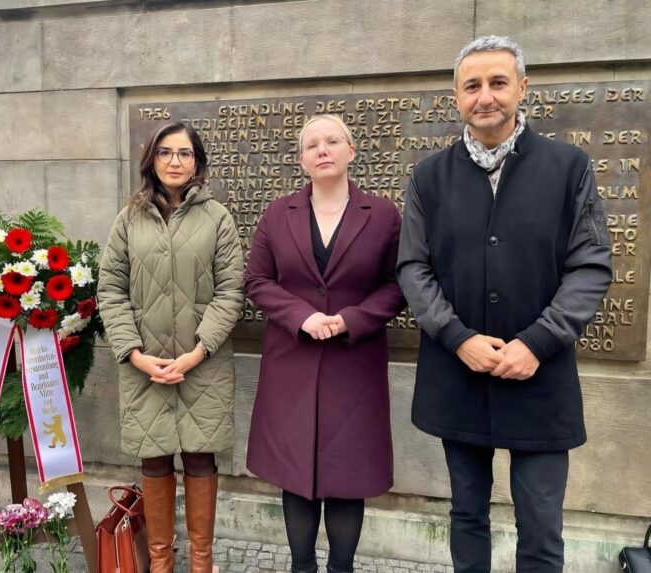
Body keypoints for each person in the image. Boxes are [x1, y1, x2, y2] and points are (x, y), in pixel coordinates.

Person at [396, 36, 612, 573]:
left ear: (522, 87)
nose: (485, 96)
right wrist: (457, 338)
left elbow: (590, 266)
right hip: (458, 375)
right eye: (472, 86)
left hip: (540, 378)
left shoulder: (569, 168)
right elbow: (413, 269)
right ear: (456, 97)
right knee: (466, 515)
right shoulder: (428, 178)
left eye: (497, 83)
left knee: (540, 526)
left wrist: (539, 341)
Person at [245, 114, 405, 573]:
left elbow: (397, 285)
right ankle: (301, 568)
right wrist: (304, 316)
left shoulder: (383, 215)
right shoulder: (279, 213)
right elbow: (256, 279)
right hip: (291, 363)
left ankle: (341, 568)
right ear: (302, 160)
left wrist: (350, 320)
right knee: (295, 474)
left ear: (350, 151)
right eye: (312, 144)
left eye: (332, 141)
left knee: (346, 475)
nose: (323, 149)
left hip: (353, 364)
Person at [98, 121, 244, 573]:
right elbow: (111, 290)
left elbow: (231, 291)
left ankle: (201, 563)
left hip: (203, 364)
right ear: (152, 161)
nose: (175, 161)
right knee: (155, 457)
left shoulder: (217, 217)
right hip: (145, 366)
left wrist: (199, 351)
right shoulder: (129, 219)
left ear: (197, 162)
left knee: (201, 457)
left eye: (184, 153)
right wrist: (136, 354)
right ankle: (160, 563)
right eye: (165, 152)